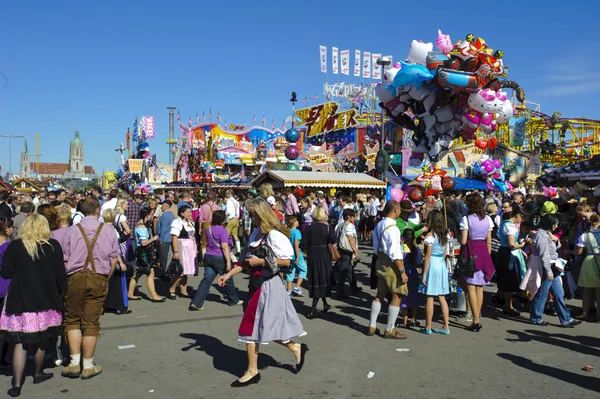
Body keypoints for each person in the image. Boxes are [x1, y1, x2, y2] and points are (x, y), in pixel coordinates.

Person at [217, 198, 307, 387]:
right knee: (264, 326)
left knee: (251, 327)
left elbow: (287, 261)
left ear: (261, 214)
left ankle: (252, 371)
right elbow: (244, 262)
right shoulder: (256, 234)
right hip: (256, 284)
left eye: (252, 213)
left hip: (268, 284)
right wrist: (228, 274)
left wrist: (262, 262)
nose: (250, 217)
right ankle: (295, 347)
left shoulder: (274, 235)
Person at [0, 215, 66, 396]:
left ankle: (17, 383)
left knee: (20, 342)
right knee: (42, 338)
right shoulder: (52, 246)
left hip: (20, 298)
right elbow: (60, 274)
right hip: (46, 298)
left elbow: (5, 273)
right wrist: (62, 291)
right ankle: (38, 373)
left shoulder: (16, 246)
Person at [61, 198, 119, 380]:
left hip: (75, 277)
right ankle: (87, 365)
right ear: (98, 210)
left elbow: (64, 260)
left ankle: (73, 363)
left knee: (72, 319)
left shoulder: (72, 230)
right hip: (98, 277)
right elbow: (114, 260)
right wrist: (104, 277)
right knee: (91, 322)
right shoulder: (109, 230)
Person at [521, 214, 580, 327]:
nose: (557, 226)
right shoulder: (541, 236)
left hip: (552, 266)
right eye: (556, 224)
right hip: (546, 267)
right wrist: (548, 272)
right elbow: (544, 255)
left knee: (559, 294)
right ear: (551, 224)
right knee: (542, 293)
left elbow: (554, 249)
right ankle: (536, 317)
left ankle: (566, 318)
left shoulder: (547, 234)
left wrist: (556, 240)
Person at [367, 200, 408, 339]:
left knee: (380, 294)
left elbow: (376, 246)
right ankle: (390, 328)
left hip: (380, 260)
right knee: (397, 295)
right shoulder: (393, 228)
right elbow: (395, 252)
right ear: (396, 210)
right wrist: (402, 271)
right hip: (391, 263)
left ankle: (372, 325)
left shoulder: (379, 225)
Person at [190, 210, 241, 310]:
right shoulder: (222, 231)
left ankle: (197, 302)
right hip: (219, 257)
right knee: (228, 278)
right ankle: (233, 299)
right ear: (222, 219)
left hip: (209, 256)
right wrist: (228, 262)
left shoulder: (209, 229)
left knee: (207, 279)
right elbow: (224, 247)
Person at [458, 193, 495, 331]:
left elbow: (463, 240)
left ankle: (475, 319)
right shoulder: (487, 219)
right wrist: (487, 255)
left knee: (471, 286)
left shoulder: (466, 219)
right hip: (484, 251)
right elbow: (489, 240)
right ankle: (477, 316)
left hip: (471, 250)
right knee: (480, 286)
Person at [418, 210, 450, 335]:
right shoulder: (445, 234)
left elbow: (427, 256)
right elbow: (444, 253)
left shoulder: (431, 235)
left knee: (430, 296)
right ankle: (446, 325)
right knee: (441, 296)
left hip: (432, 263)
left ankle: (428, 326)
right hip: (441, 263)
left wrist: (424, 274)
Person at [496, 207, 530, 315]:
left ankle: (506, 302)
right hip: (508, 253)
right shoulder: (509, 227)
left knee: (507, 279)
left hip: (505, 252)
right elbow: (511, 244)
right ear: (517, 215)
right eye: (522, 217)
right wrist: (522, 245)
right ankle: (508, 305)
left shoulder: (504, 224)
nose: (522, 220)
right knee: (509, 279)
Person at [301, 206, 333, 318]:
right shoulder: (327, 228)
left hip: (313, 255)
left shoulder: (307, 229)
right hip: (324, 254)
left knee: (316, 280)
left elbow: (303, 245)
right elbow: (333, 240)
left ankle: (323, 304)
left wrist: (309, 252)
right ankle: (314, 309)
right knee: (322, 279)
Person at [568, 213, 600, 321]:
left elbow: (579, 252)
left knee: (587, 290)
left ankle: (585, 313)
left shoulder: (585, 235)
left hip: (590, 261)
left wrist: (569, 251)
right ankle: (598, 315)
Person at [130, 207, 166, 303]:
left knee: (138, 273)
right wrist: (154, 239)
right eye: (151, 214)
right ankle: (154, 295)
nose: (152, 216)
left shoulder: (139, 224)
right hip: (144, 252)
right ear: (147, 215)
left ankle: (130, 293)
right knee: (150, 273)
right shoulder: (142, 227)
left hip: (140, 252)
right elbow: (143, 242)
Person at [170, 205, 197, 299]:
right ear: (182, 213)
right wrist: (176, 251)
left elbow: (193, 237)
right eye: (188, 212)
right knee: (180, 271)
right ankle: (172, 289)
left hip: (190, 248)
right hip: (182, 247)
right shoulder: (177, 222)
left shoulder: (190, 222)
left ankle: (183, 290)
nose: (190, 214)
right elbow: (174, 237)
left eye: (190, 212)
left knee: (186, 271)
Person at [334, 208, 360, 298]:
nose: (354, 218)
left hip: (341, 249)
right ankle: (340, 292)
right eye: (353, 216)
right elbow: (350, 239)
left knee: (349, 270)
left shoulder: (340, 225)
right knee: (344, 272)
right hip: (347, 250)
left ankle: (354, 287)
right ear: (348, 217)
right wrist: (356, 251)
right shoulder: (350, 226)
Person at [399, 229, 423, 328]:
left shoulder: (401, 247)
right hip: (413, 272)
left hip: (404, 272)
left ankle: (405, 321)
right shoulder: (416, 248)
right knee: (414, 296)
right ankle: (414, 318)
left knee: (404, 296)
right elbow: (418, 262)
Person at [285, 217, 307, 297]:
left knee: (291, 271)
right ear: (294, 222)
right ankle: (297, 287)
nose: (298, 222)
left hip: (289, 254)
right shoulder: (297, 232)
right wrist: (298, 256)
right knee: (304, 269)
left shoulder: (288, 232)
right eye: (297, 221)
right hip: (296, 253)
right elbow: (296, 244)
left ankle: (289, 290)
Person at [156, 200, 176, 276]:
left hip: (164, 239)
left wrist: (160, 238)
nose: (161, 207)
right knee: (169, 256)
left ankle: (165, 273)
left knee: (164, 258)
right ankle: (170, 271)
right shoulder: (172, 215)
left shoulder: (164, 216)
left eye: (162, 205)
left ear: (166, 206)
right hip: (170, 239)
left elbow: (163, 229)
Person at [197, 193, 220, 258]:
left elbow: (200, 219)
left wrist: (199, 229)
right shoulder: (217, 206)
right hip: (215, 224)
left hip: (206, 224)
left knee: (204, 242)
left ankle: (204, 258)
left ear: (207, 198)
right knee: (215, 241)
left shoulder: (203, 206)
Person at [225, 190, 242, 255]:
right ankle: (238, 249)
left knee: (226, 234)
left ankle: (228, 248)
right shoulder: (236, 202)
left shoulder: (229, 201)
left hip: (231, 219)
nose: (225, 195)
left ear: (229, 194)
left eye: (226, 193)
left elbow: (228, 211)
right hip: (236, 219)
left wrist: (225, 214)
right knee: (235, 236)